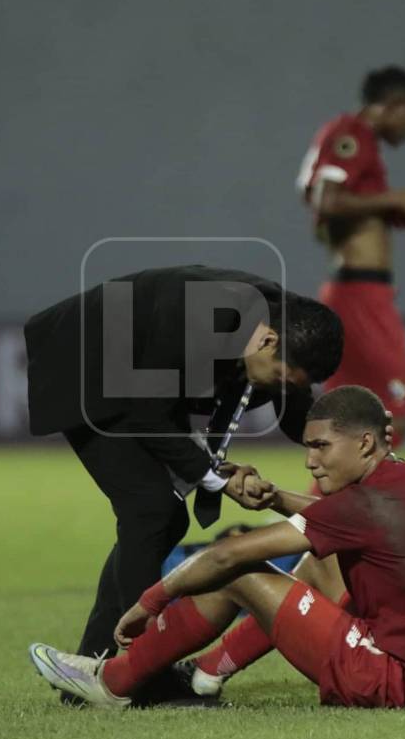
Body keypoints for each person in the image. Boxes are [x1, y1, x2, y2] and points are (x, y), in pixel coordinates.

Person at [29, 385, 405, 708]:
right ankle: (206, 674)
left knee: (239, 569)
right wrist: (276, 497)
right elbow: (340, 520)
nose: (310, 461)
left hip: (400, 682)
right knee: (319, 563)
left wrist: (149, 602)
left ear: (364, 443)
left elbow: (227, 555)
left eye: (321, 446)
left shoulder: (366, 506)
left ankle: (112, 682)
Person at [23, 265, 343, 687]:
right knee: (150, 510)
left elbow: (296, 409)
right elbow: (145, 410)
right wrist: (219, 479)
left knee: (160, 518)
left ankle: (98, 665)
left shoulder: (281, 330)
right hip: (87, 364)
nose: (280, 390)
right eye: (280, 378)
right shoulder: (205, 321)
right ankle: (137, 675)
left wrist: (357, 448)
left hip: (143, 373)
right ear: (267, 341)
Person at [295, 66, 405, 444]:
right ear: (392, 105)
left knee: (350, 422)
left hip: (354, 292)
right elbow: (327, 201)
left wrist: (394, 212)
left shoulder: (358, 142)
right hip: (361, 295)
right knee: (392, 417)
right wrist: (395, 199)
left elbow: (324, 203)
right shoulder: (352, 135)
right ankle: (361, 484)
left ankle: (330, 486)